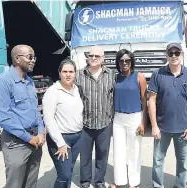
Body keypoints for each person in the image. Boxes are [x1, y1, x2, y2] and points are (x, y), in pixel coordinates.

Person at [0, 45, 44, 188]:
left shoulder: (30, 81)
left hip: (35, 141)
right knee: (15, 184)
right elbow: (5, 118)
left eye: (34, 57)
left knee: (31, 183)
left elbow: (36, 110)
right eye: (30, 57)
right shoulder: (2, 81)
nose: (33, 61)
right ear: (17, 59)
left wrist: (40, 132)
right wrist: (29, 138)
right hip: (16, 144)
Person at [148, 43, 187, 188]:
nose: (174, 56)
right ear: (166, 56)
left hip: (183, 129)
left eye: (177, 53)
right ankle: (158, 185)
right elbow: (151, 100)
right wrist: (154, 126)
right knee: (158, 160)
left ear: (182, 55)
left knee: (182, 162)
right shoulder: (157, 74)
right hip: (162, 127)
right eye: (170, 53)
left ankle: (180, 185)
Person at [77, 46, 116, 188]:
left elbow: (114, 97)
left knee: (102, 155)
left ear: (103, 59)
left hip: (104, 123)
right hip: (85, 124)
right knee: (85, 155)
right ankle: (85, 181)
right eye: (91, 55)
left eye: (97, 56)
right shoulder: (79, 75)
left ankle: (99, 181)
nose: (93, 58)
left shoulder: (111, 75)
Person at [42, 59, 84, 188]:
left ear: (75, 73)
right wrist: (60, 144)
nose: (68, 74)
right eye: (65, 71)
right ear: (59, 73)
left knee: (69, 171)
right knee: (64, 175)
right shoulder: (52, 92)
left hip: (77, 137)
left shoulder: (77, 90)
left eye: (71, 72)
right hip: (61, 139)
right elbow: (48, 119)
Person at [109, 49, 147, 188]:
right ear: (118, 62)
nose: (124, 63)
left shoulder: (139, 77)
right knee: (118, 150)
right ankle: (119, 180)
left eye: (127, 60)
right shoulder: (115, 77)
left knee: (134, 150)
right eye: (121, 60)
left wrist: (143, 122)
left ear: (131, 62)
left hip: (135, 117)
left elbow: (144, 101)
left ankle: (134, 182)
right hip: (118, 118)